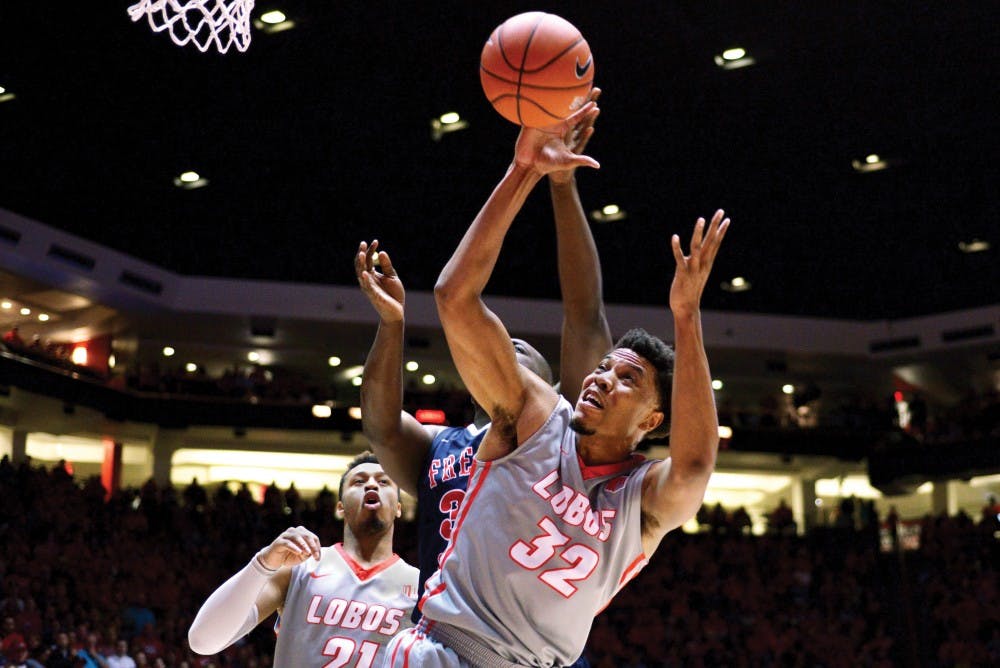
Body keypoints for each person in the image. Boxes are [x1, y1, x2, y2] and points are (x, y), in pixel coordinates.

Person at [384, 98, 730, 667]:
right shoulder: (534, 420)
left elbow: (694, 466)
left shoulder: (641, 501)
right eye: (603, 367)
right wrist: (524, 172)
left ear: (651, 421)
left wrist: (687, 317)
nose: (601, 376)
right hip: (444, 651)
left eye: (627, 379)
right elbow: (454, 297)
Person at [358, 89, 612, 621]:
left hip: (526, 642)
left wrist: (562, 186)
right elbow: (380, 427)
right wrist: (392, 325)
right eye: (504, 348)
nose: (514, 345)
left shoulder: (565, 431)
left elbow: (585, 314)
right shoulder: (438, 447)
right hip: (443, 639)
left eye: (528, 354)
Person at [188, 452, 418, 667]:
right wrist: (263, 564)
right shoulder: (299, 569)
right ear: (340, 507)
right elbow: (203, 640)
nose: (371, 484)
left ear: (399, 508)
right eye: (358, 481)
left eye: (384, 481)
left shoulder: (423, 586)